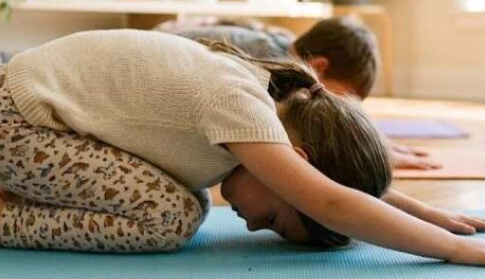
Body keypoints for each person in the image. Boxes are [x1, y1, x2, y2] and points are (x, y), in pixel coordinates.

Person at [0, 30, 485, 270]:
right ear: (297, 163)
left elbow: (339, 188)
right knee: (171, 217)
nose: (250, 221)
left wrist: (429, 211)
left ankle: (7, 204)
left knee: (180, 200)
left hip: (26, 115)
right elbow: (335, 201)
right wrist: (456, 251)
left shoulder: (273, 105)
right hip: (8, 123)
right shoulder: (241, 106)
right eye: (275, 219)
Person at [157, 16, 441, 170]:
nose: (336, 111)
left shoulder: (288, 54)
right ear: (319, 68)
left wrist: (377, 140)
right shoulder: (270, 68)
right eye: (337, 100)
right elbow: (288, 136)